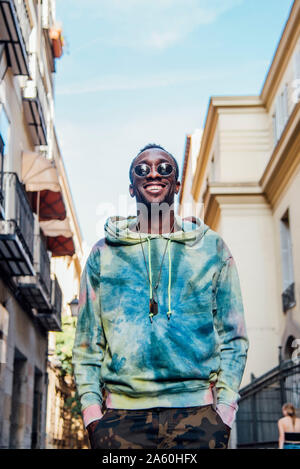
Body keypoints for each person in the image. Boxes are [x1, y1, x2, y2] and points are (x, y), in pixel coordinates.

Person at [72, 143, 249, 449]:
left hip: (199, 416)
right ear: (131, 188)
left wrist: (225, 409)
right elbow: (87, 342)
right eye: (142, 169)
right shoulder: (103, 254)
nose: (153, 172)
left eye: (164, 167)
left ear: (177, 184)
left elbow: (234, 336)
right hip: (120, 417)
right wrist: (91, 414)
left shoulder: (211, 249)